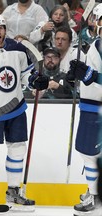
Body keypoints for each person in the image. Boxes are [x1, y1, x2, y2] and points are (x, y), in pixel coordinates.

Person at [0, 14, 49, 211]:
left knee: (17, 148)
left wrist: (34, 81)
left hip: (15, 106)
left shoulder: (17, 47)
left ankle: (13, 191)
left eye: (2, 28)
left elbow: (25, 74)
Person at [66, 3, 102, 215]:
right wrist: (75, 76)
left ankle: (94, 196)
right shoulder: (96, 44)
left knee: (89, 153)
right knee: (89, 153)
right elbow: (89, 74)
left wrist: (90, 76)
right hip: (91, 105)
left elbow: (94, 76)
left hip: (97, 109)